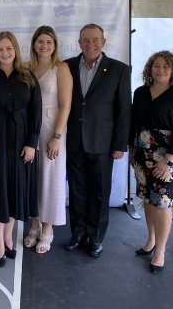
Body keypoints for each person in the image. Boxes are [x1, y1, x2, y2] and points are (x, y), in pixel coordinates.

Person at [0, 31, 42, 267]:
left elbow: (36, 112)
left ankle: (8, 238)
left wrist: (32, 142)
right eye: (0, 49)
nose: (5, 53)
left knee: (15, 193)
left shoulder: (28, 76)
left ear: (16, 50)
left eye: (9, 48)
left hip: (22, 143)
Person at [64, 23, 131, 258]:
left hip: (103, 144)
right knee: (77, 191)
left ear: (103, 42)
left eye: (95, 40)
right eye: (85, 40)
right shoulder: (67, 66)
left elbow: (124, 110)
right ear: (79, 42)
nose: (90, 44)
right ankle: (78, 233)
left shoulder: (119, 70)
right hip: (74, 141)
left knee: (100, 193)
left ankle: (95, 237)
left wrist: (120, 144)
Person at [130, 50, 173, 274]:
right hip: (141, 154)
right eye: (156, 66)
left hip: (167, 159)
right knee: (147, 199)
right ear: (150, 68)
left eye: (166, 67)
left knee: (162, 203)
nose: (161, 70)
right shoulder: (140, 92)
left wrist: (168, 160)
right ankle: (151, 240)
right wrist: (131, 149)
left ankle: (161, 251)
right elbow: (133, 123)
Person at [24, 26, 72, 254]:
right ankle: (34, 224)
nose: (44, 46)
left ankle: (48, 228)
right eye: (40, 41)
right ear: (34, 43)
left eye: (49, 42)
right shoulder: (25, 67)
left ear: (55, 46)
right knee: (32, 178)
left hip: (52, 129)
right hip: (29, 130)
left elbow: (66, 105)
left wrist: (57, 136)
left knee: (50, 179)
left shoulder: (61, 69)